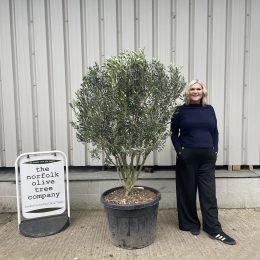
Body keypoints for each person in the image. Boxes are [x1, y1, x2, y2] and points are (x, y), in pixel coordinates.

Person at [170, 79, 236, 245]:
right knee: (187, 192)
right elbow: (173, 134)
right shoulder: (180, 110)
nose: (195, 91)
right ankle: (191, 223)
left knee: (208, 194)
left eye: (198, 89)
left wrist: (214, 150)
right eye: (192, 89)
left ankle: (213, 227)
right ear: (188, 91)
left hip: (207, 158)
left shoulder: (209, 109)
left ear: (203, 92)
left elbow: (215, 132)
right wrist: (180, 151)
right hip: (187, 157)